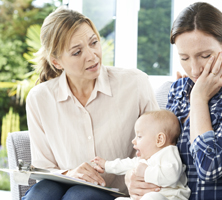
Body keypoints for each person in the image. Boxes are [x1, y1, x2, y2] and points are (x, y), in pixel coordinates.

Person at [126, 2, 222, 200]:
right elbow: (158, 152)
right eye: (184, 58)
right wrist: (133, 179)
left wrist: (199, 99)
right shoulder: (177, 90)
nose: (194, 70)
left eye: (205, 56)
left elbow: (210, 167)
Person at [22, 6, 159, 200]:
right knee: (41, 194)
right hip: (62, 187)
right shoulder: (39, 98)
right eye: (77, 52)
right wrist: (70, 174)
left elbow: (157, 150)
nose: (92, 55)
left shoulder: (135, 84)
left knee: (80, 195)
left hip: (117, 192)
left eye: (94, 43)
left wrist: (132, 175)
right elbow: (44, 168)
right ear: (57, 62)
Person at [91, 110, 191, 200]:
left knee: (152, 197)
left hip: (169, 197)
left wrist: (146, 171)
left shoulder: (168, 152)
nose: (133, 141)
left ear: (159, 139)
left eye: (139, 136)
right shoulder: (144, 158)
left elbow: (172, 175)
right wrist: (106, 165)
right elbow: (125, 164)